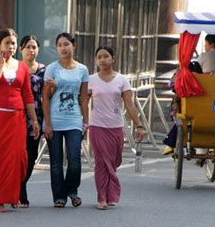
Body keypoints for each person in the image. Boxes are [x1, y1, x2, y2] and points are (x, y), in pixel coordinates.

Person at [0, 28, 39, 213]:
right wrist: (1, 64)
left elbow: (27, 95)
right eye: (7, 43)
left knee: (18, 157)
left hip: (17, 117)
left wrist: (35, 121)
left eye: (13, 43)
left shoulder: (21, 66)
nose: (11, 46)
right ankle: (0, 199)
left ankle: (13, 195)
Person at [88, 46, 144, 210]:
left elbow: (129, 104)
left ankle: (110, 194)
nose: (103, 60)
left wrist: (139, 125)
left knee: (113, 161)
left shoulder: (121, 80)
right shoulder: (91, 80)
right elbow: (83, 101)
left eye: (106, 56)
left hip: (115, 126)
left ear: (113, 58)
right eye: (99, 57)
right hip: (97, 125)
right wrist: (83, 121)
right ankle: (102, 198)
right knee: (101, 162)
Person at [42, 32, 89, 208]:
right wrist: (47, 123)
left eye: (66, 44)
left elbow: (84, 98)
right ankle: (59, 197)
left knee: (74, 159)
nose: (63, 48)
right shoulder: (52, 69)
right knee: (56, 162)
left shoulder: (82, 70)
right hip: (54, 119)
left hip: (74, 120)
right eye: (60, 45)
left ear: (73, 46)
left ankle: (71, 189)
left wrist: (86, 122)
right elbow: (45, 98)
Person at [18, 35, 52, 208]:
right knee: (18, 155)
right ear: (21, 49)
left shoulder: (44, 70)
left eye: (34, 47)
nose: (31, 50)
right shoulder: (15, 68)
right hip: (16, 116)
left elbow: (49, 95)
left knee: (31, 155)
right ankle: (20, 191)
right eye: (28, 47)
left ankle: (21, 185)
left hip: (36, 118)